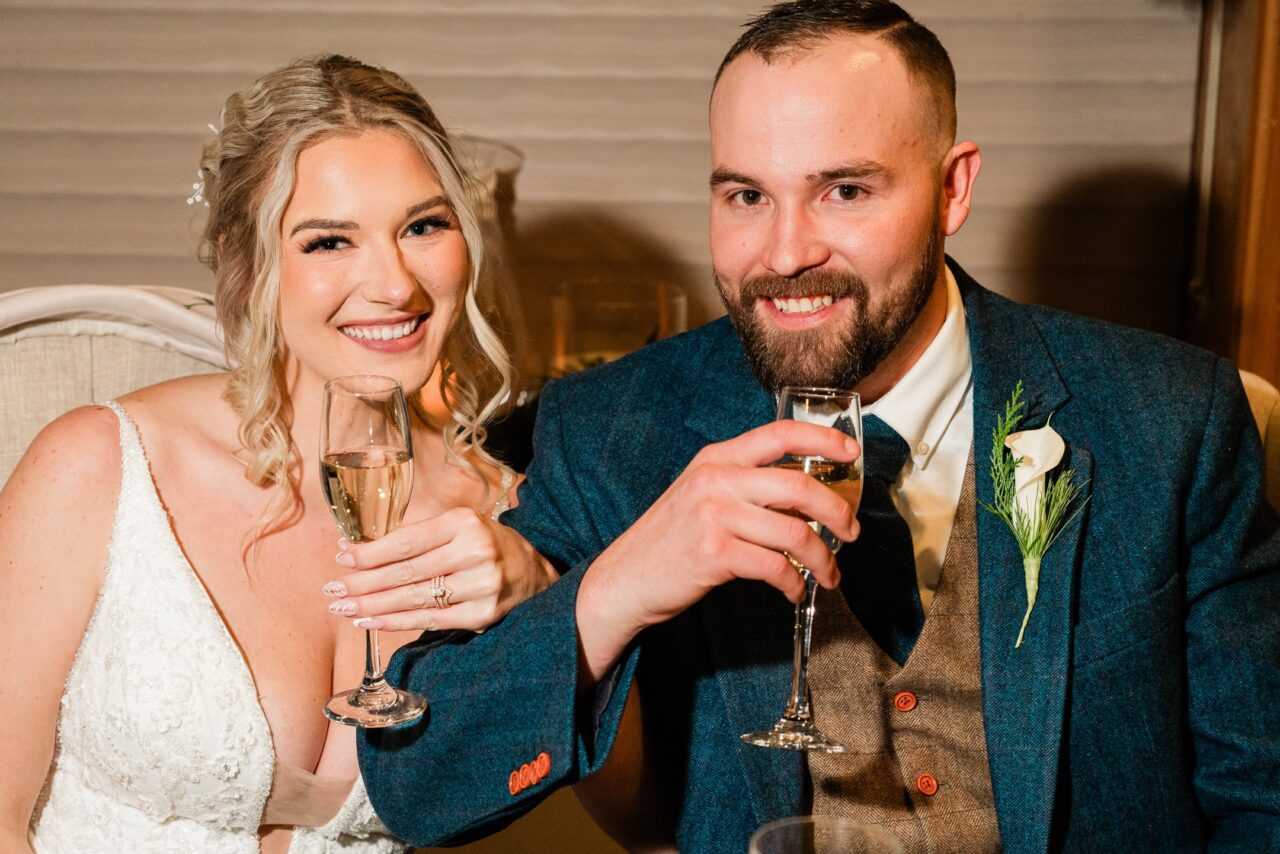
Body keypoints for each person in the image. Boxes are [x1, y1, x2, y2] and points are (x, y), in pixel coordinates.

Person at [358, 2, 1280, 851]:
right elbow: (420, 784)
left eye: (844, 191)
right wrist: (622, 582)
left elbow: (1263, 802)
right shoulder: (612, 428)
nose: (786, 253)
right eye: (746, 196)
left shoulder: (1170, 419)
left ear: (953, 189)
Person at [0, 55, 555, 853]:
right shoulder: (102, 466)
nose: (394, 285)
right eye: (329, 241)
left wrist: (544, 591)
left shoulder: (508, 521)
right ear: (248, 260)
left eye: (423, 227)